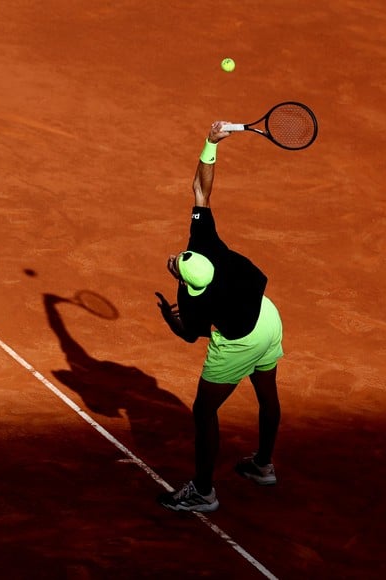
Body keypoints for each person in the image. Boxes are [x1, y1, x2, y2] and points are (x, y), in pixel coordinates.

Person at [154, 121, 284, 512]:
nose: (176, 259)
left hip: (240, 340)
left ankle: (203, 491)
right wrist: (210, 144)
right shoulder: (206, 244)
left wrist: (169, 320)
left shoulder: (195, 302)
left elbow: (189, 333)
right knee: (267, 394)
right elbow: (200, 190)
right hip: (268, 318)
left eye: (176, 264)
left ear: (184, 280)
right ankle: (263, 466)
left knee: (204, 410)